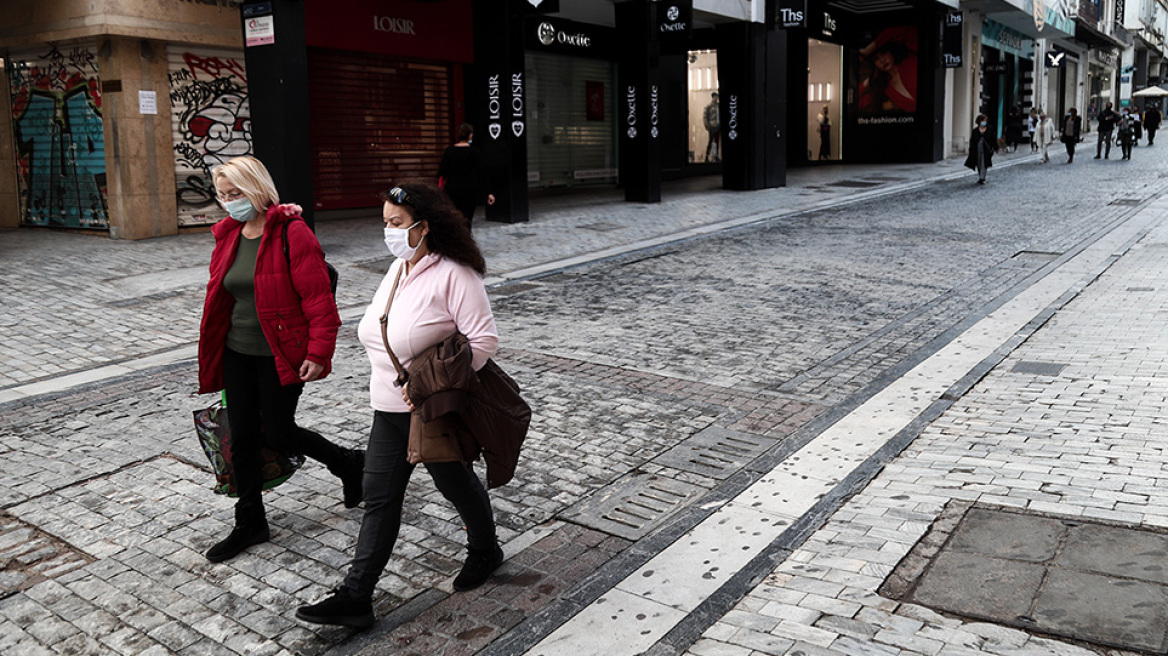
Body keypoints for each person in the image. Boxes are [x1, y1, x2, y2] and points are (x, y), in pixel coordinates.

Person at [296, 181, 504, 629]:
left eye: (396, 224)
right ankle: (357, 596)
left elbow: (484, 340)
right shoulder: (398, 269)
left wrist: (436, 385)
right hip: (388, 409)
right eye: (385, 223)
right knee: (379, 497)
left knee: (456, 483)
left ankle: (485, 548)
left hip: (431, 410)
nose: (388, 231)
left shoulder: (455, 273)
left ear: (424, 226)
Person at [197, 156, 363, 563]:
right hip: (236, 351)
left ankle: (348, 463)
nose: (229, 203)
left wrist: (319, 352)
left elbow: (318, 299)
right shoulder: (229, 234)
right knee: (242, 436)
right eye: (222, 195)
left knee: (279, 432)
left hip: (280, 353)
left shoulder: (293, 232)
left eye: (235, 194)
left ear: (257, 188)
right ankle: (250, 520)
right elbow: (222, 295)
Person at [437, 123, 495, 230]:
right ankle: (465, 242)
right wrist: (489, 192)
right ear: (469, 135)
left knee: (453, 218)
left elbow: (442, 172)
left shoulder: (449, 151)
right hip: (469, 190)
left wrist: (440, 190)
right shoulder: (474, 152)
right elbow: (480, 173)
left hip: (452, 189)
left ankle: (455, 242)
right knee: (467, 219)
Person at [858, 27, 917, 114]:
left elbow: (906, 30)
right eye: (876, 59)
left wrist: (871, 47)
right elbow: (858, 103)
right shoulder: (886, 87)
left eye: (884, 53)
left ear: (891, 52)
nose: (882, 60)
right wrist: (867, 82)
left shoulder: (911, 62)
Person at [964, 114, 996, 184]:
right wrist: (971, 149)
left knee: (984, 163)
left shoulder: (989, 129)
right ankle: (981, 176)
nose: (984, 122)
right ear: (979, 121)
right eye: (983, 120)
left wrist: (995, 147)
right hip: (977, 149)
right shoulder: (975, 131)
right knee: (979, 163)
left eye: (985, 120)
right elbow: (972, 140)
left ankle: (982, 177)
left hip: (986, 149)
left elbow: (993, 139)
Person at [704, 92, 721, 162]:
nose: (716, 98)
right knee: (710, 141)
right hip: (712, 126)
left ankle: (715, 156)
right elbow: (705, 117)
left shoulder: (719, 106)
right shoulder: (709, 106)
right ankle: (707, 156)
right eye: (715, 97)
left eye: (717, 97)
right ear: (713, 97)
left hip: (718, 126)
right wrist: (707, 125)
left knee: (716, 142)